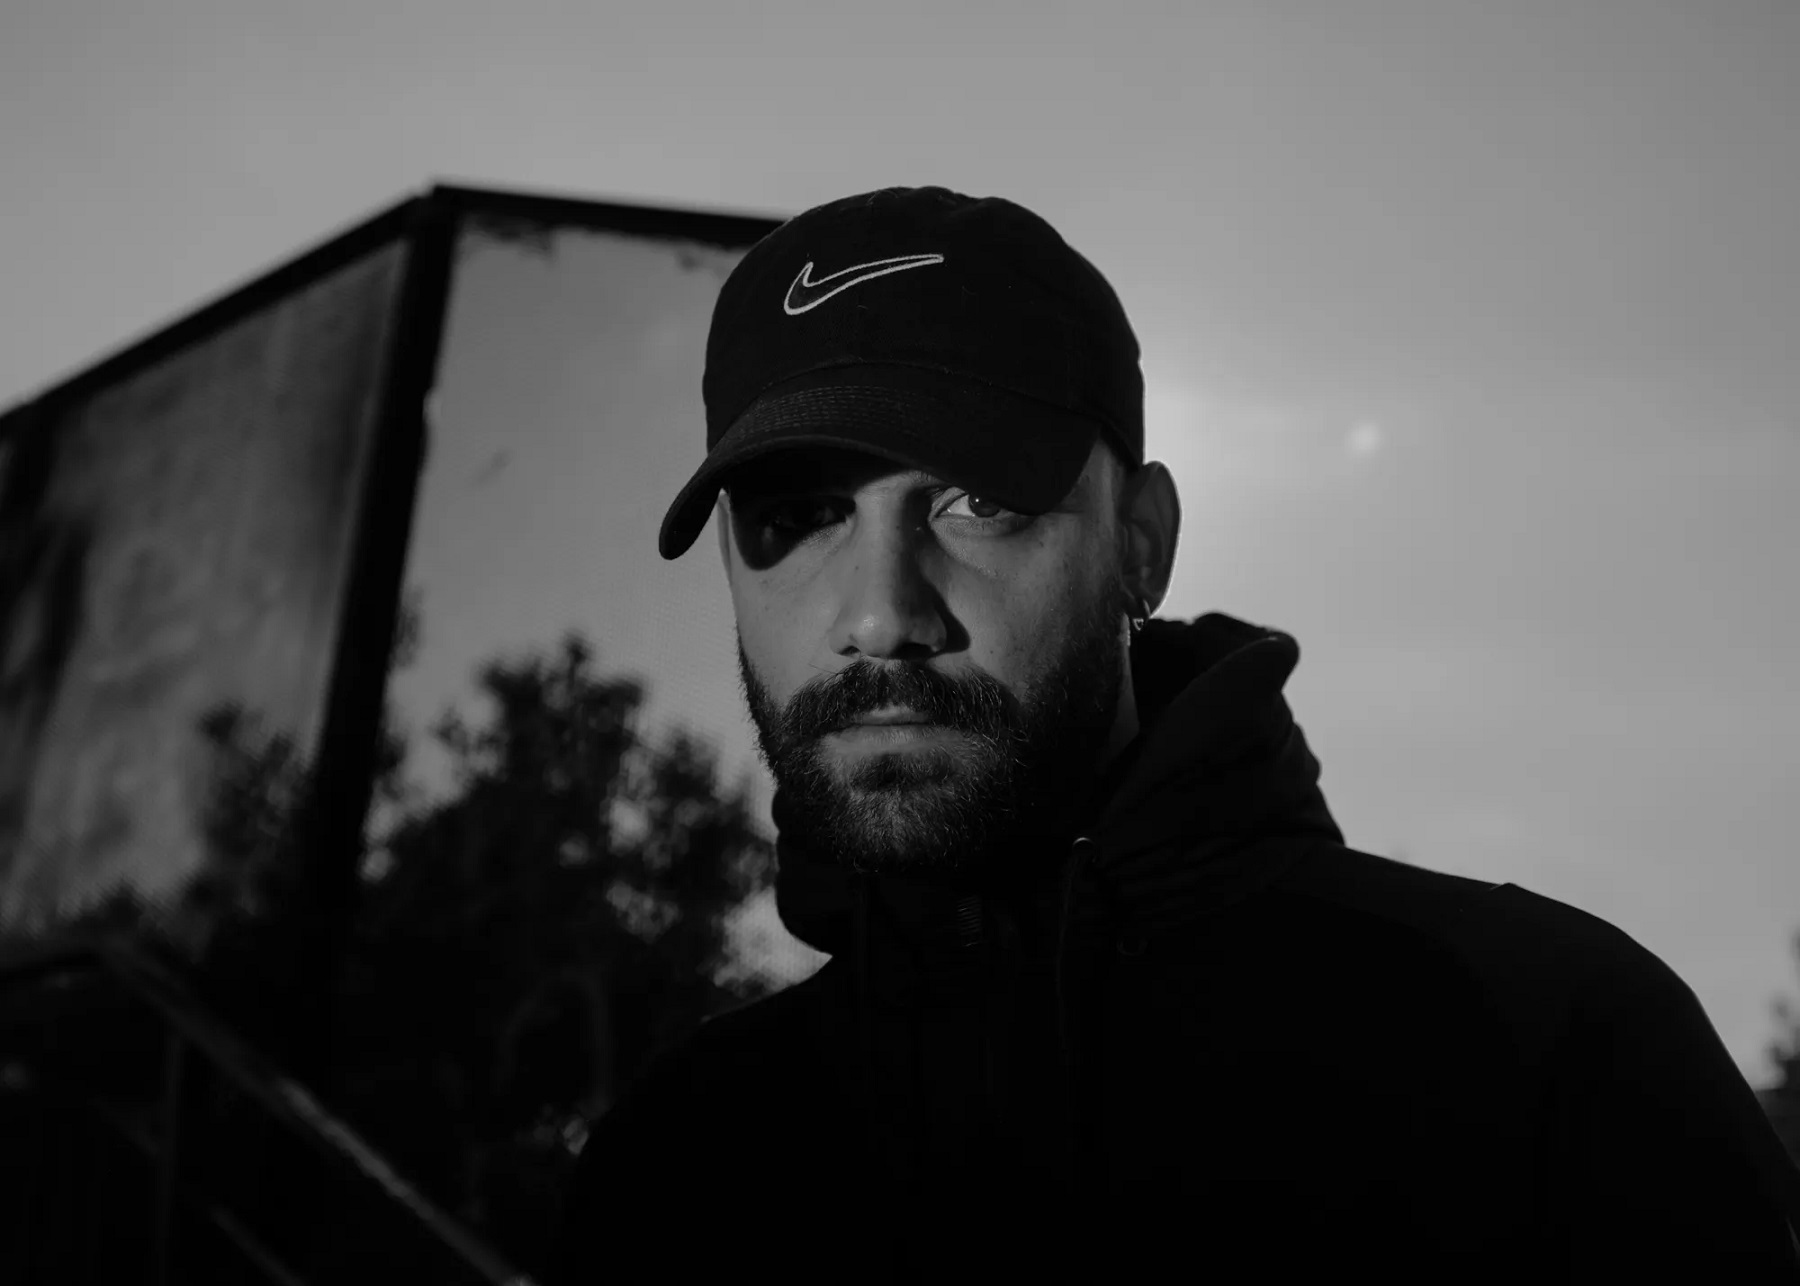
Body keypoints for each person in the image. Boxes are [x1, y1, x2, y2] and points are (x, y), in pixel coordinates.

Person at [556, 186, 1800, 1281]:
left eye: (978, 501)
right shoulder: (676, 1166)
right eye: (800, 517)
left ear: (1141, 543)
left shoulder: (1546, 1047)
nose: (881, 613)